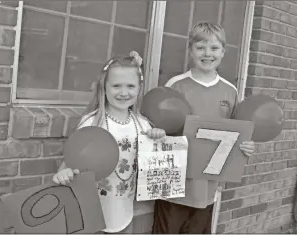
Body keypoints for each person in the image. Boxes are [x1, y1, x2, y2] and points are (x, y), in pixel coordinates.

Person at [152, 22, 255, 234]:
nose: (207, 54)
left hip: (207, 186)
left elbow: (235, 134)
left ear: (223, 52)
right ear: (190, 51)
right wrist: (157, 133)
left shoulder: (231, 91)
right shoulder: (176, 85)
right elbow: (159, 125)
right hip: (174, 184)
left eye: (214, 48)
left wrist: (246, 147)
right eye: (200, 47)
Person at [53, 51, 166, 234]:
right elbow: (72, 160)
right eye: (116, 86)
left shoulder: (143, 125)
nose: (123, 92)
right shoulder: (92, 122)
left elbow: (156, 163)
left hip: (124, 214)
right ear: (104, 88)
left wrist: (158, 138)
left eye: (130, 86)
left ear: (139, 88)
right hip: (90, 217)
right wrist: (63, 173)